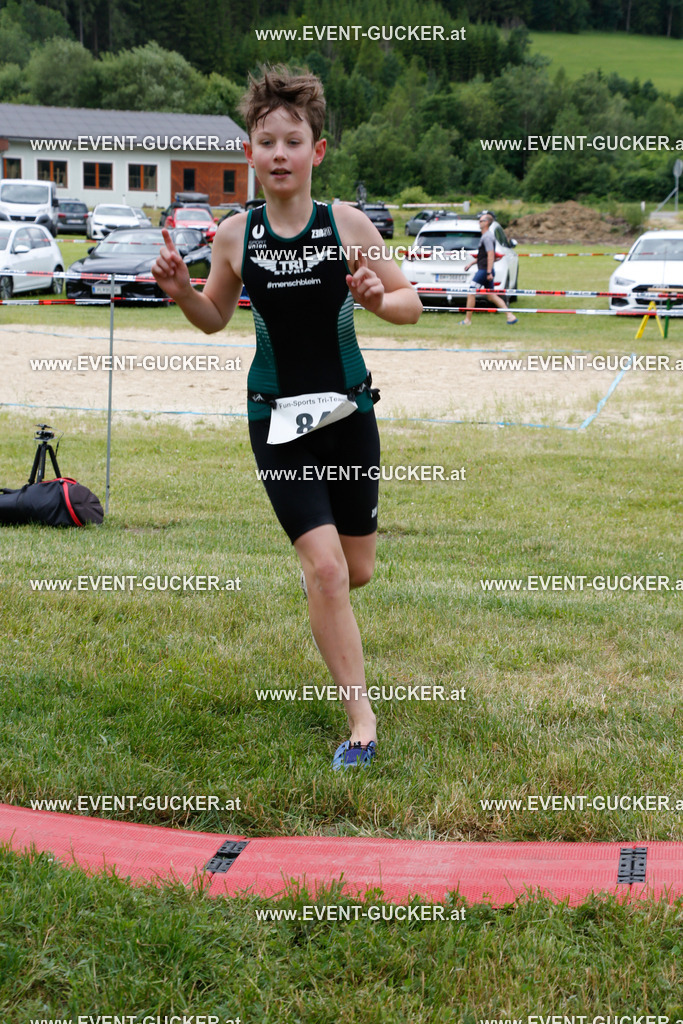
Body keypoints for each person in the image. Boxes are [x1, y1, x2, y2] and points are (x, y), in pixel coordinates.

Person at [151, 65, 422, 770]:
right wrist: (184, 293)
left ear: (316, 151)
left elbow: (409, 304)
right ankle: (360, 723)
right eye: (265, 140)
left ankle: (323, 576)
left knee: (353, 570)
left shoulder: (347, 224)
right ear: (248, 151)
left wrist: (370, 297)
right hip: (274, 422)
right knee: (328, 573)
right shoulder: (236, 236)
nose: (278, 153)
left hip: (347, 414)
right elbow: (214, 317)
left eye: (291, 141)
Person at [460, 212, 517, 325]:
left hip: (484, 271)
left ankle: (467, 320)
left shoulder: (487, 237)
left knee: (471, 293)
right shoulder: (486, 236)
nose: (479, 222)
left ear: (486, 223)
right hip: (486, 270)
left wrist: (489, 272)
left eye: (481, 221)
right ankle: (510, 316)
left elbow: (491, 255)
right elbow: (484, 256)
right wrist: (472, 263)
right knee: (491, 296)